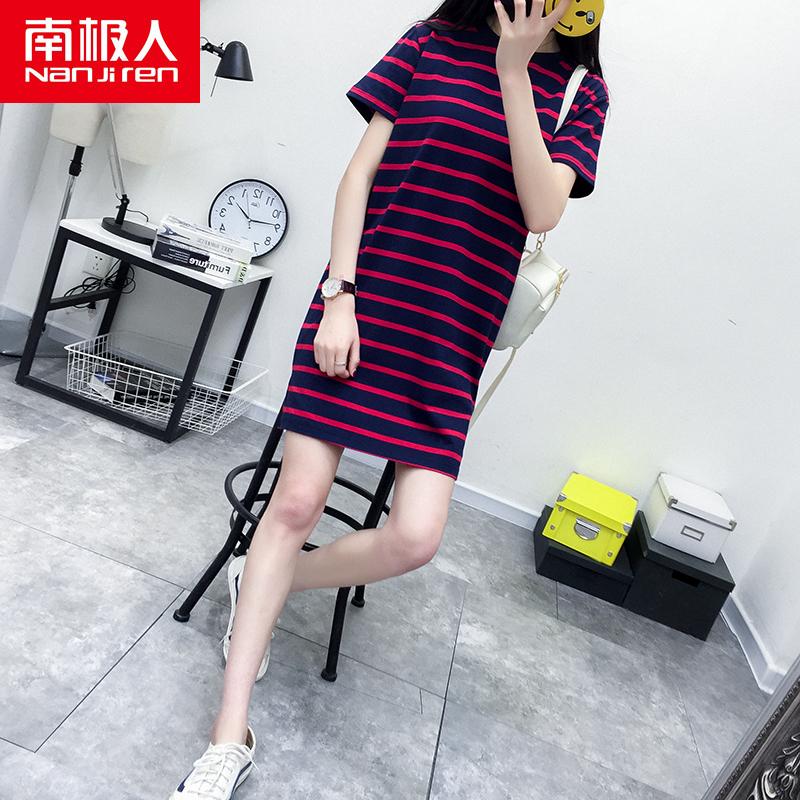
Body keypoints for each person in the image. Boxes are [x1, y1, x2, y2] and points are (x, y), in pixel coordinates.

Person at [169, 0, 610, 796]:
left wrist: (515, 72)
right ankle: (228, 736)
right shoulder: (430, 42)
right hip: (360, 306)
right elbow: (359, 177)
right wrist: (339, 296)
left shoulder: (582, 90)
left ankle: (265, 581)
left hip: (447, 342)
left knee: (414, 537)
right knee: (295, 502)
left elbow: (543, 209)